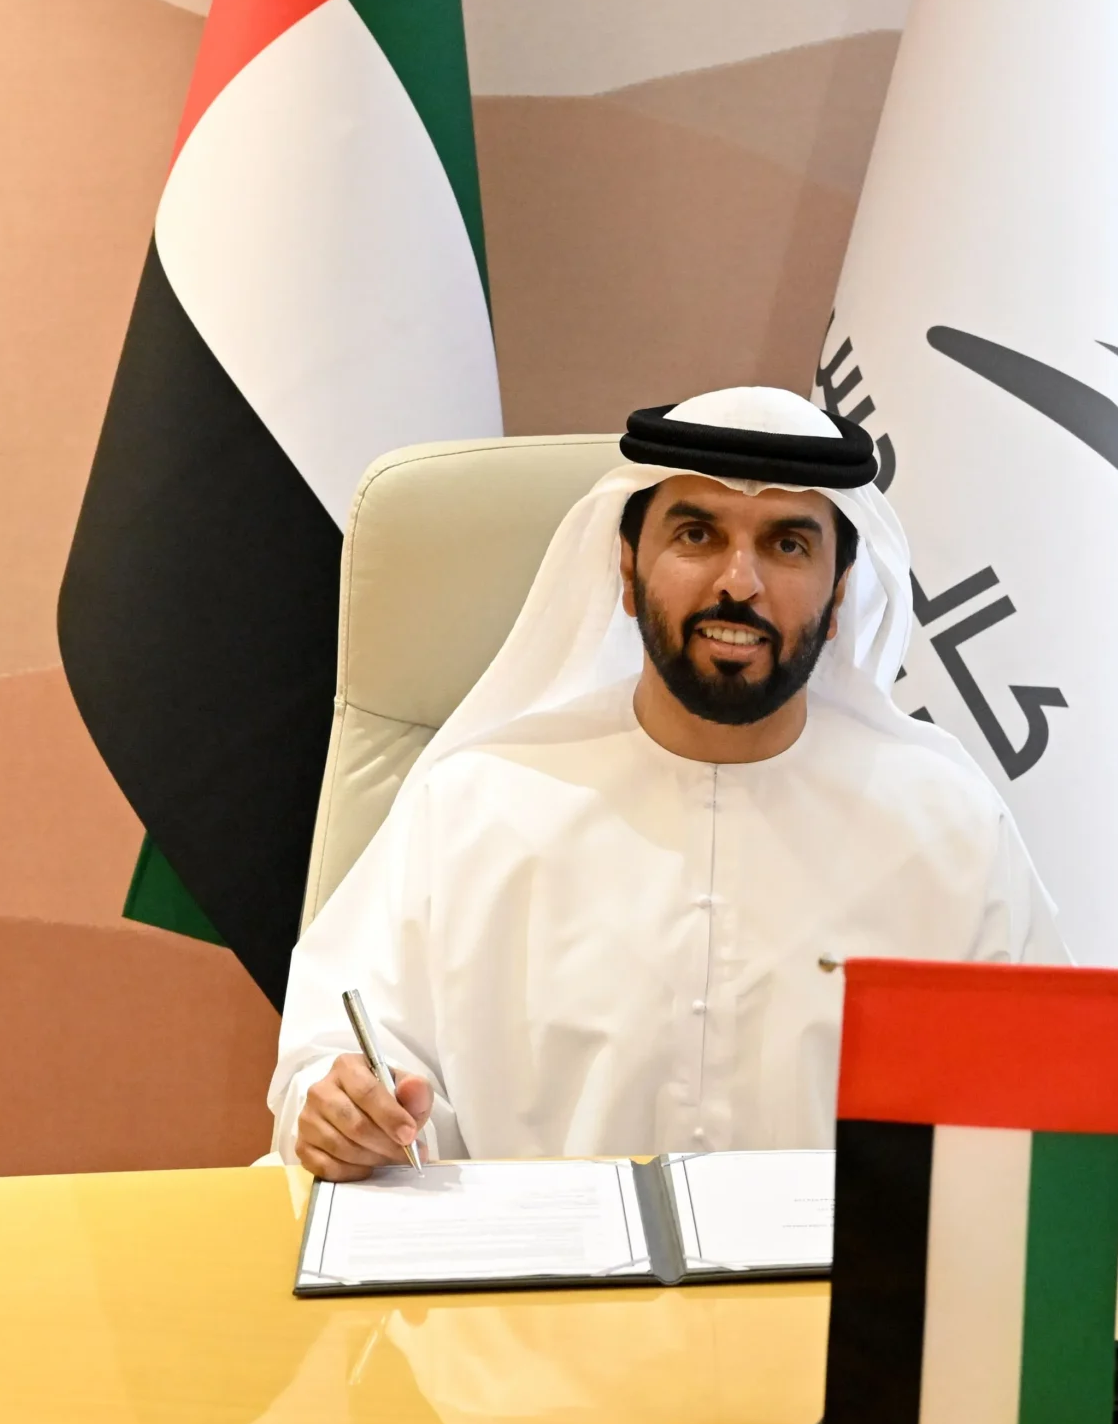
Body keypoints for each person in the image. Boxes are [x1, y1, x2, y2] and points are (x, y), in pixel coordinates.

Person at [272, 387, 1066, 1179]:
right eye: (697, 534)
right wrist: (343, 1112)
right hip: (530, 1296)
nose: (739, 582)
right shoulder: (477, 805)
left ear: (839, 596)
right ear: (627, 567)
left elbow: (1040, 1117)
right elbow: (343, 1059)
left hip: (834, 1299)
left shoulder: (947, 829)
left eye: (789, 545)